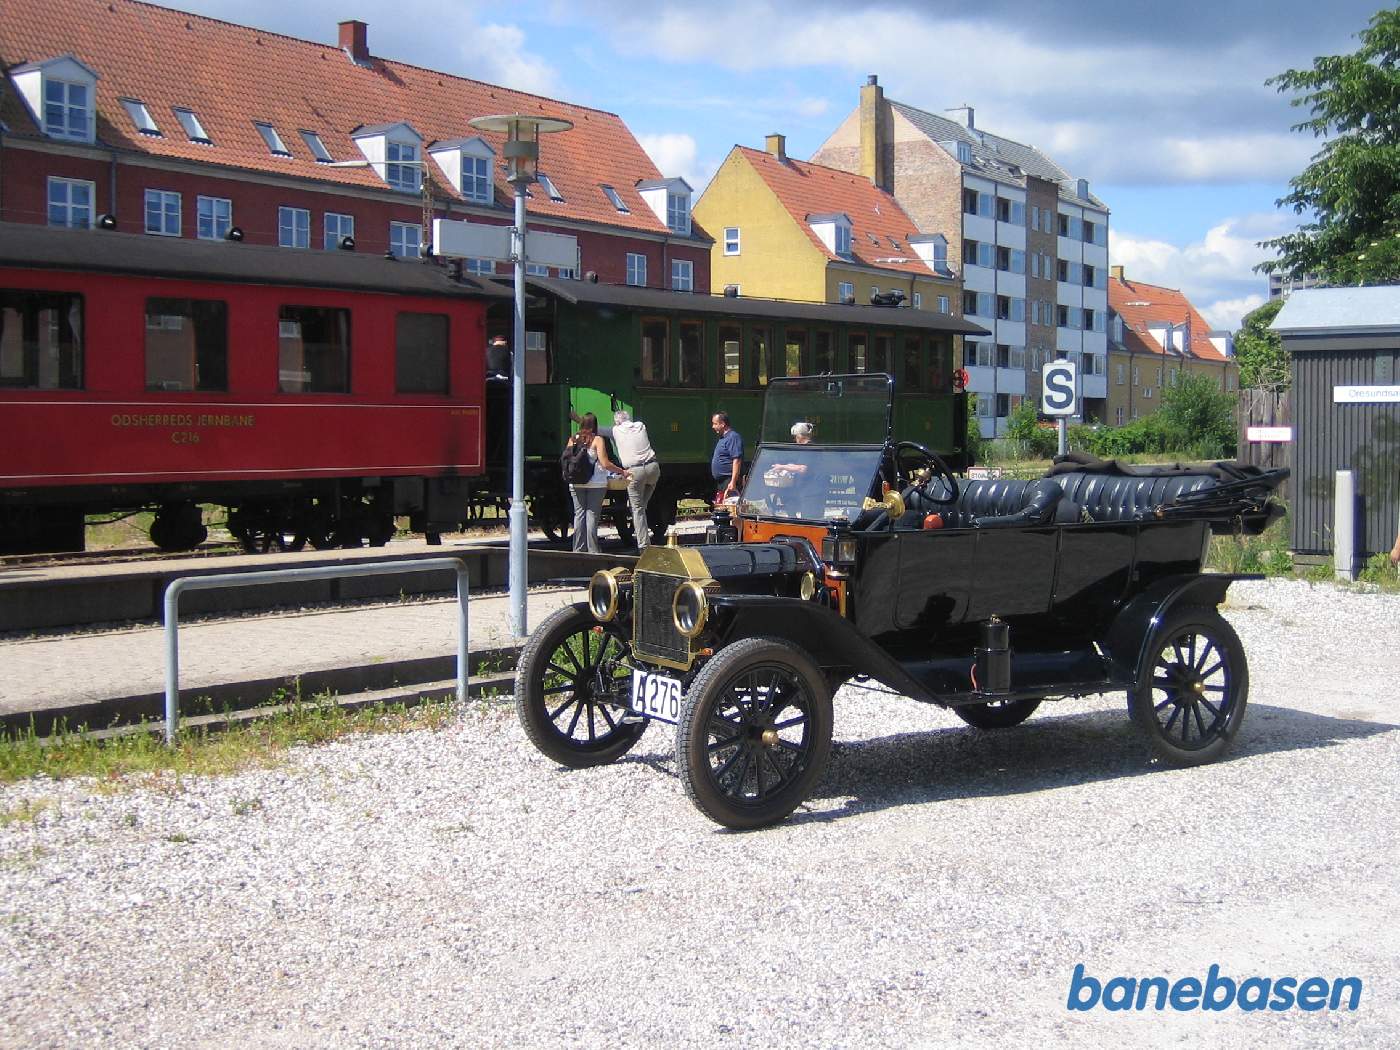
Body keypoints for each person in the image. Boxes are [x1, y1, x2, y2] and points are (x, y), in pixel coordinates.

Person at [564, 412, 627, 554]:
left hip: (576, 483)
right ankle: (593, 550)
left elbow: (567, 459)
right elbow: (605, 463)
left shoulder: (573, 439)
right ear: (595, 426)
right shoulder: (597, 440)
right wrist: (621, 471)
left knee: (579, 515)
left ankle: (578, 549)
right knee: (592, 516)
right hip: (596, 484)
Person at [711, 411, 744, 503]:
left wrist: (733, 481)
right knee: (722, 507)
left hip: (729, 480)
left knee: (730, 507)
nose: (713, 426)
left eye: (715, 424)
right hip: (722, 482)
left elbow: (736, 460)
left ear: (722, 424)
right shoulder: (723, 438)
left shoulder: (733, 437)